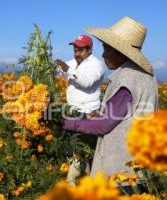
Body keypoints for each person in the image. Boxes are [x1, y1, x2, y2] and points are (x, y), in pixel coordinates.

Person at [63, 17, 159, 179]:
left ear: (121, 51)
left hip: (122, 171)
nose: (103, 54)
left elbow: (104, 125)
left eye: (107, 49)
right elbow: (123, 115)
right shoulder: (145, 77)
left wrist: (68, 123)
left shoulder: (128, 79)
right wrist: (100, 113)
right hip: (140, 164)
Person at [54, 35, 105, 186]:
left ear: (89, 50)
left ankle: (76, 184)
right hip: (73, 112)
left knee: (82, 150)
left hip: (88, 113)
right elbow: (63, 73)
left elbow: (87, 82)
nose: (76, 53)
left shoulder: (96, 64)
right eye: (75, 50)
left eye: (80, 50)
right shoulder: (74, 63)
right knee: (75, 150)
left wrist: (67, 69)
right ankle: (82, 182)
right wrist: (55, 66)